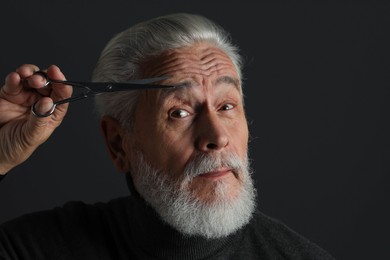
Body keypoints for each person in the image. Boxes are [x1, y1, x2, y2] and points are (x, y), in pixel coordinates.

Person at [0, 13, 335, 259]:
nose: (216, 137)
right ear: (119, 144)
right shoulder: (38, 249)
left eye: (227, 106)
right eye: (180, 113)